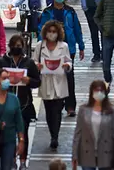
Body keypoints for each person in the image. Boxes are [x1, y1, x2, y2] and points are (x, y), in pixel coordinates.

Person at [0, 35, 42, 169]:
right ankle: (11, 159)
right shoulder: (3, 61)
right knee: (8, 136)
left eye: (19, 45)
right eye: (15, 45)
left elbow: (37, 81)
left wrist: (29, 81)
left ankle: (22, 160)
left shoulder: (28, 62)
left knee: (23, 135)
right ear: (10, 46)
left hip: (24, 104)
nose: (17, 48)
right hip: (5, 105)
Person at [39, 0, 85, 117]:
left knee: (69, 77)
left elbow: (77, 28)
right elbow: (41, 29)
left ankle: (70, 106)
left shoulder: (70, 11)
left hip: (68, 49)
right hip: (51, 49)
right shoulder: (47, 12)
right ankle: (56, 103)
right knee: (53, 77)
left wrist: (81, 46)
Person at [31, 21, 72, 150]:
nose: (52, 34)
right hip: (46, 81)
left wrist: (67, 66)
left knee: (57, 110)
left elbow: (69, 62)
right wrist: (37, 65)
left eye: (54, 32)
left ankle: (55, 136)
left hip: (60, 81)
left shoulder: (63, 46)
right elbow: (34, 60)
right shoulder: (40, 45)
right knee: (49, 111)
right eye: (50, 31)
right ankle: (52, 132)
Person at [72, 80, 114, 170]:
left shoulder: (112, 111)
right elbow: (78, 133)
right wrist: (74, 155)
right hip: (87, 153)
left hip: (106, 153)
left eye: (101, 91)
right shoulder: (83, 110)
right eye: (96, 90)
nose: (99, 93)